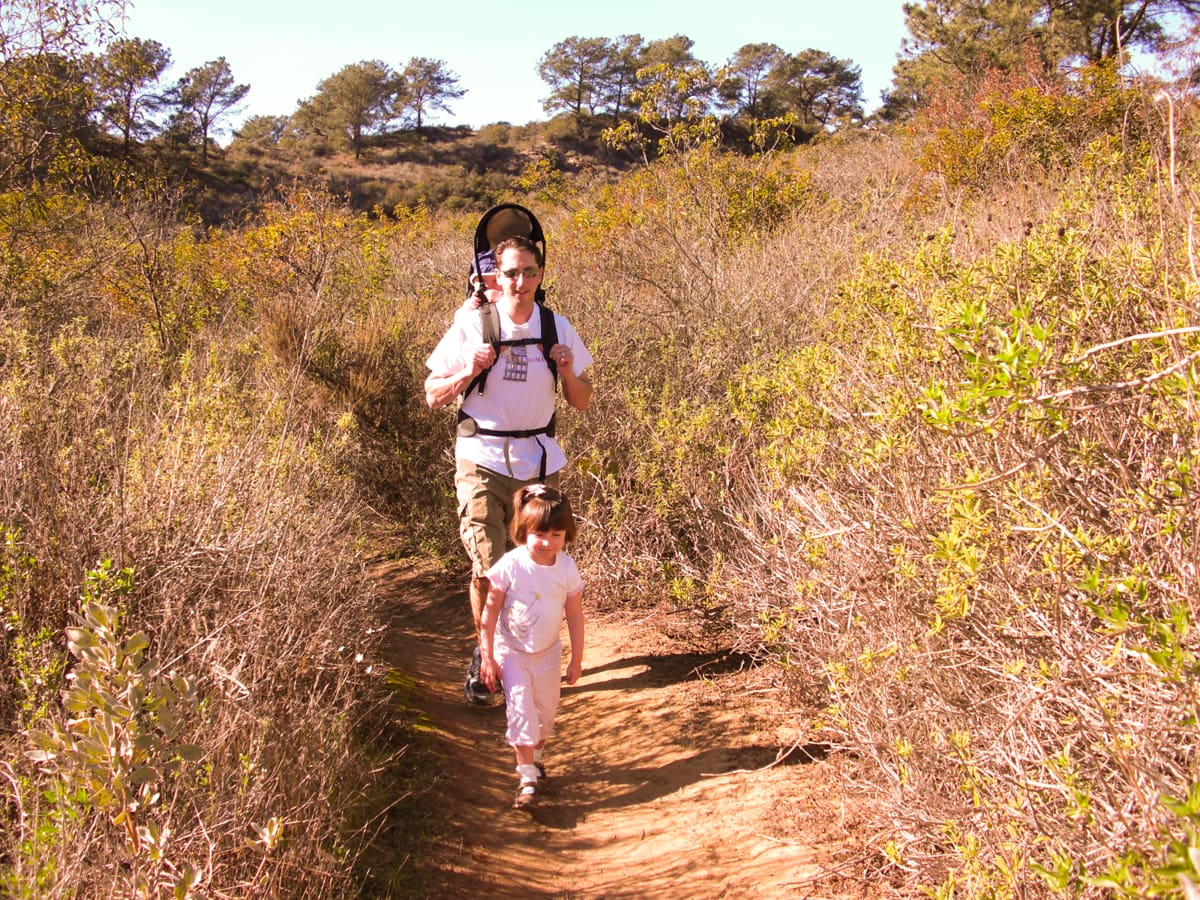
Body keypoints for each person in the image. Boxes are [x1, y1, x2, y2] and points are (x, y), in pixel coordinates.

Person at [424, 234, 593, 704]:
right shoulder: (473, 325)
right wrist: (468, 370)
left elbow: (582, 401)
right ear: (496, 275)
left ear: (541, 275)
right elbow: (432, 394)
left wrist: (566, 370)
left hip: (538, 461)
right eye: (512, 272)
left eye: (530, 272)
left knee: (539, 562)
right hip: (481, 458)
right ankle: (487, 656)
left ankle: (530, 652)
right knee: (487, 566)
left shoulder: (557, 327)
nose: (521, 281)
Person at [478, 483, 584, 809]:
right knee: (521, 712)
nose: (547, 542)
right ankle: (526, 779)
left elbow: (575, 616)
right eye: (540, 534)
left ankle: (536, 760)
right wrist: (488, 655)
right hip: (512, 653)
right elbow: (490, 611)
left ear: (567, 536)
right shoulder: (510, 565)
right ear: (524, 532)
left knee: (545, 716)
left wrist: (576, 660)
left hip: (549, 653)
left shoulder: (566, 568)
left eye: (557, 535)